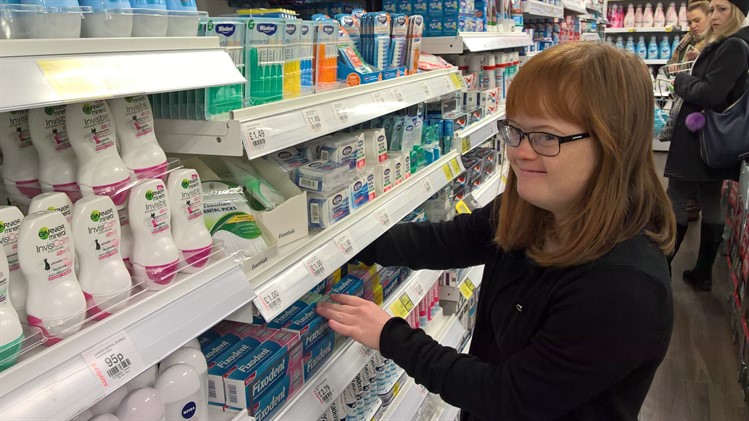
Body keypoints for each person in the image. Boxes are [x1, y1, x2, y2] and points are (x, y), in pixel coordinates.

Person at [317, 43, 676, 421]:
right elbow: (443, 242)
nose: (519, 152)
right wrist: (338, 245)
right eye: (516, 130)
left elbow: (509, 395)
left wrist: (390, 335)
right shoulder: (533, 211)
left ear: (613, 142)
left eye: (546, 137)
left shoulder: (625, 287)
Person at [666, 0, 749, 291]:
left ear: (737, 12)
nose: (714, 16)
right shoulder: (729, 43)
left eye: (722, 9)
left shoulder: (733, 46)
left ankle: (661, 271)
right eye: (712, 9)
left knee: (675, 197)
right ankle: (702, 274)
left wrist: (682, 81)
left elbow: (712, 93)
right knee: (710, 199)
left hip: (699, 138)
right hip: (709, 139)